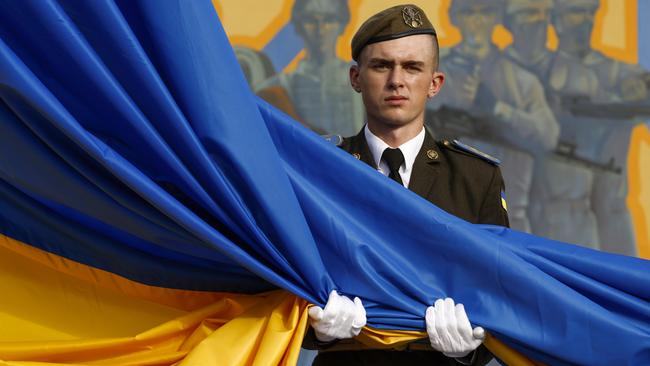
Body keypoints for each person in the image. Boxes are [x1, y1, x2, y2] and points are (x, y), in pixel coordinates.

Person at [307, 5, 509, 365]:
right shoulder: (318, 169)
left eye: (412, 67)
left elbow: (500, 292)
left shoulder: (476, 178)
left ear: (434, 84)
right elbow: (287, 276)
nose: (396, 80)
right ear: (355, 77)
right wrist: (315, 329)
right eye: (382, 65)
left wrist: (470, 350)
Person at [255, 0, 365, 136]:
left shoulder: (365, 81)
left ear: (343, 25)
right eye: (310, 20)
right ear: (298, 27)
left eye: (329, 19)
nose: (320, 29)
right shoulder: (275, 88)